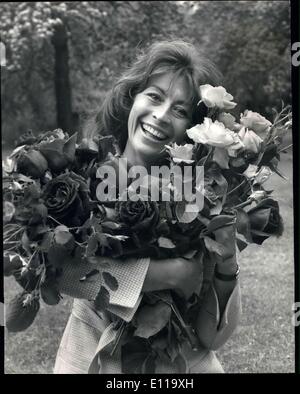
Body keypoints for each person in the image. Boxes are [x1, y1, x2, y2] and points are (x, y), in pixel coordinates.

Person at [54, 40, 241, 374]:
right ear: (131, 99)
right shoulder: (78, 177)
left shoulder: (199, 198)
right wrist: (171, 274)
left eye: (181, 110)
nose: (161, 114)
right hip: (89, 361)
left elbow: (213, 338)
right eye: (154, 96)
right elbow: (60, 272)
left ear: (195, 129)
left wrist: (227, 264)